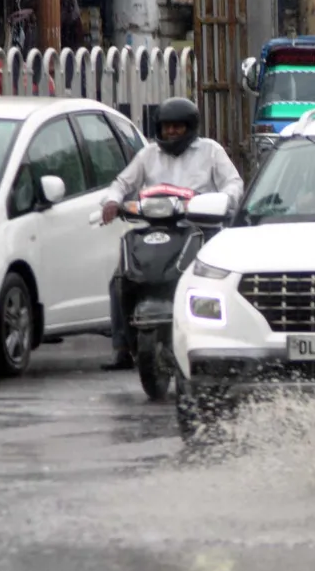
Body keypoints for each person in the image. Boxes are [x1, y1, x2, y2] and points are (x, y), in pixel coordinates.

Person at [99, 97, 245, 370]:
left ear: (190, 127)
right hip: (155, 227)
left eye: (177, 126)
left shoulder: (210, 151)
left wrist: (224, 201)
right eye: (167, 127)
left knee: (213, 280)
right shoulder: (148, 154)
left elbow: (233, 183)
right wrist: (112, 201)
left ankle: (218, 340)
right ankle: (121, 347)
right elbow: (122, 183)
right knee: (121, 277)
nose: (172, 132)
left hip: (199, 226)